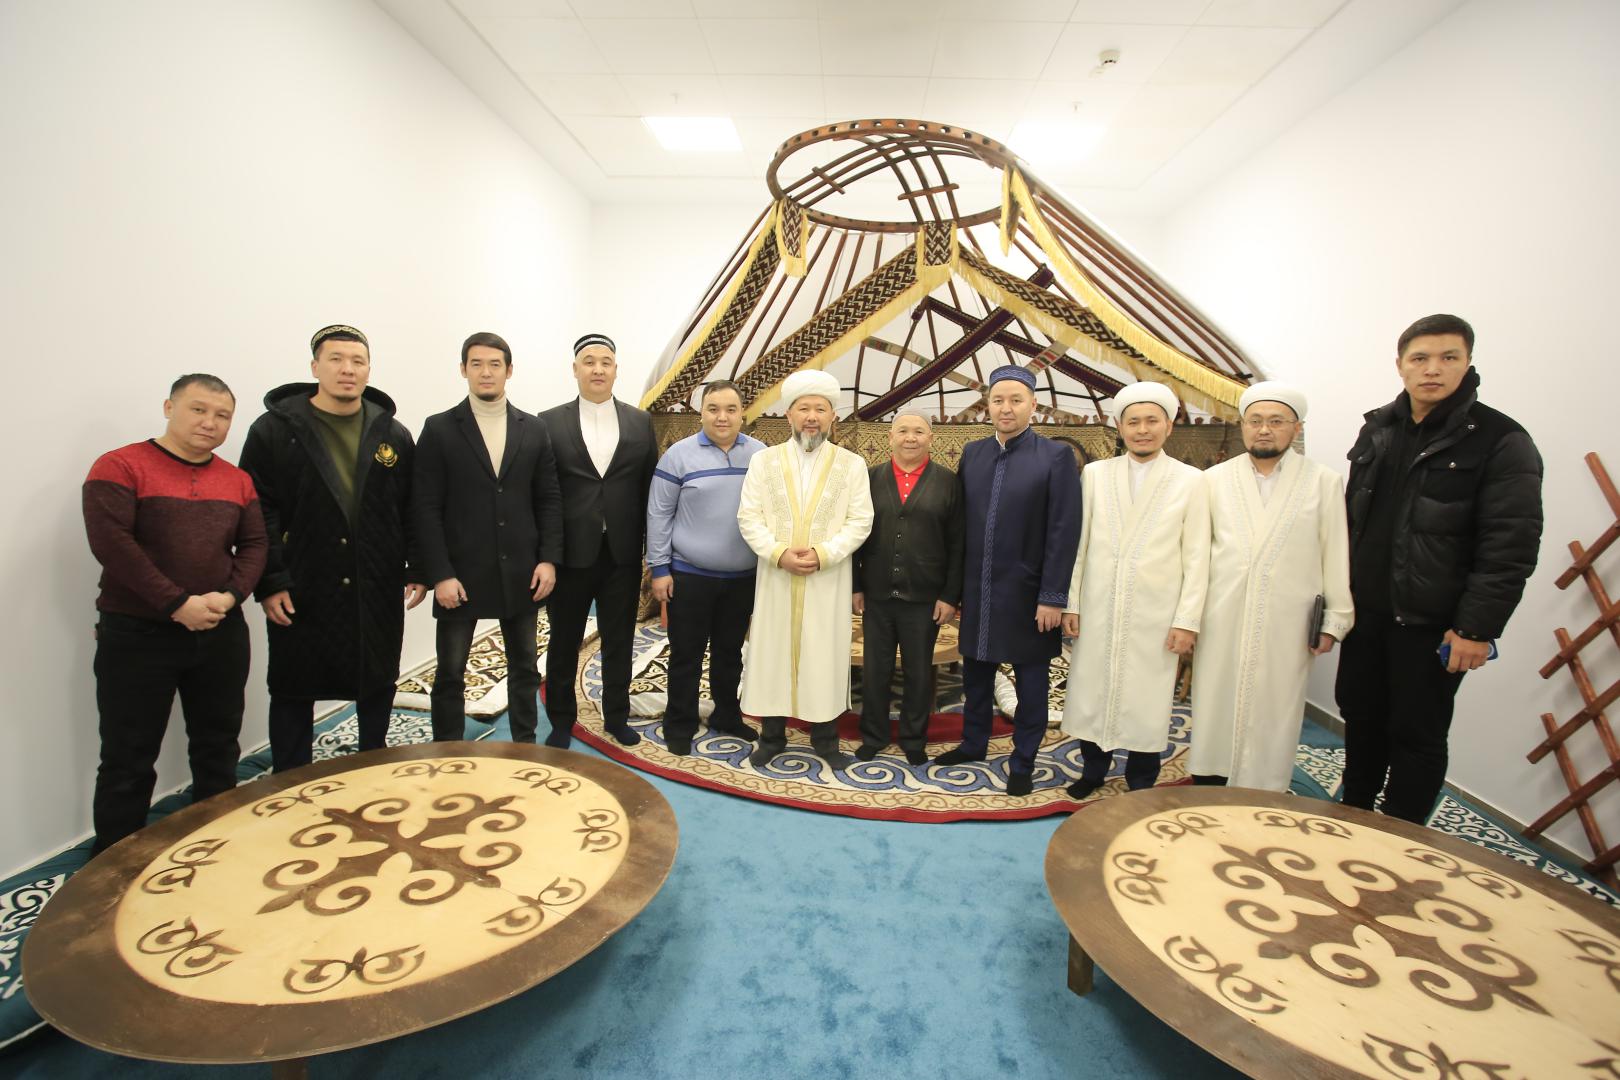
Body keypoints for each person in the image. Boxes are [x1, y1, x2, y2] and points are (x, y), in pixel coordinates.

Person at [1338, 314, 1543, 823]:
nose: (1433, 369)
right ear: (1400, 365)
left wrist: (1476, 628)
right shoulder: (1378, 429)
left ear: (1467, 362)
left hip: (1432, 623)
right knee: (1361, 717)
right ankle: (1352, 814)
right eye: (1420, 358)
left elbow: (1510, 545)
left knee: (1417, 732)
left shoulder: (1500, 439)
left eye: (1448, 357)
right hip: (1366, 613)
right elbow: (1353, 521)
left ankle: (1401, 837)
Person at [82, 374, 268, 852]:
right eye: (198, 409)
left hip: (220, 629)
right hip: (138, 634)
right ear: (169, 408)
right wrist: (176, 604)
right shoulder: (120, 466)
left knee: (218, 745)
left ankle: (214, 845)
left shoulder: (237, 480)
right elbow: (113, 545)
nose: (210, 423)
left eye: (222, 415)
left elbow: (254, 544)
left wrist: (230, 596)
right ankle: (115, 864)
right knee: (128, 755)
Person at [239, 325, 426, 772]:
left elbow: (411, 506)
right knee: (294, 684)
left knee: (378, 677)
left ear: (368, 370)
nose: (348, 369)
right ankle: (291, 779)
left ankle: (372, 766)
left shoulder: (393, 433)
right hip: (303, 580)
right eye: (336, 359)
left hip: (375, 580)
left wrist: (417, 567)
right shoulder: (273, 431)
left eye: (358, 361)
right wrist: (270, 580)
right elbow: (257, 511)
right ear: (315, 367)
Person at [1189, 382, 1352, 790]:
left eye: (1276, 422)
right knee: (1214, 700)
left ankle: (1265, 788)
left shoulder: (1323, 481)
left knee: (1276, 706)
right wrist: (1189, 617)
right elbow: (1197, 555)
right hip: (1221, 615)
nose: (1264, 430)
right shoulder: (1213, 480)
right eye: (1255, 421)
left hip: (1288, 620)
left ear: (1297, 428)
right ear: (1243, 426)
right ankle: (1209, 782)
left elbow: (1335, 552)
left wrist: (1334, 621)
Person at [935, 365, 1081, 797]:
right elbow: (959, 527)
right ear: (988, 406)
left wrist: (1052, 596)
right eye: (998, 400)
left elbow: (1064, 531)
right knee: (976, 675)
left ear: (1033, 406)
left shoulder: (1055, 457)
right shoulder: (974, 453)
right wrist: (954, 591)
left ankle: (1023, 762)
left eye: (1016, 400)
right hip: (979, 589)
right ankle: (973, 744)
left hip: (1029, 594)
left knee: (1030, 682)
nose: (1006, 408)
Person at [1060, 381, 1209, 797]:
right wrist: (1072, 603)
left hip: (1156, 613)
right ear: (1120, 427)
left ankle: (1142, 780)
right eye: (1134, 422)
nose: (1143, 430)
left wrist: (1187, 620)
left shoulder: (1191, 481)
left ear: (1169, 426)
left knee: (1148, 699)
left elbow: (1198, 558)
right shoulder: (1096, 474)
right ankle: (1092, 771)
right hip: (1099, 605)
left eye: (1152, 421)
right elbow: (1079, 545)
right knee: (1092, 691)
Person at [413, 332, 563, 744]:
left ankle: (524, 746)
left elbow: (549, 499)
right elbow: (425, 507)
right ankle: (448, 750)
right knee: (450, 672)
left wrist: (548, 559)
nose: (485, 372)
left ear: (509, 371)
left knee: (525, 667)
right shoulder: (440, 428)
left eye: (495, 364)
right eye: (476, 364)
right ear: (463, 369)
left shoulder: (534, 429)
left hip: (522, 570)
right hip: (460, 573)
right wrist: (439, 574)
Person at [736, 369, 874, 770]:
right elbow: (749, 517)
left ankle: (826, 741)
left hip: (826, 578)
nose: (811, 417)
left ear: (833, 417)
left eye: (820, 409)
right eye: (803, 409)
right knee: (772, 654)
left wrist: (824, 554)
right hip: (776, 575)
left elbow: (861, 520)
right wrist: (778, 553)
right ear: (788, 415)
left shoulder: (852, 465)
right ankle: (772, 736)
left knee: (824, 655)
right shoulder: (763, 461)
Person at [537, 333, 658, 748]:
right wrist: (546, 553)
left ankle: (617, 716)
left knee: (620, 639)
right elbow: (543, 491)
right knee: (564, 640)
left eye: (605, 362)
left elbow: (649, 488)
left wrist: (650, 549)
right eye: (589, 362)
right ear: (576, 369)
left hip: (621, 553)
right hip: (570, 553)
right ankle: (561, 721)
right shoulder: (548, 422)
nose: (598, 369)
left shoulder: (639, 421)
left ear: (616, 370)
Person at [646, 380, 765, 755]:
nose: (722, 417)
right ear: (701, 413)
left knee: (730, 653)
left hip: (743, 577)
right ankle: (679, 722)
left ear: (743, 413)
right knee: (687, 653)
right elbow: (659, 514)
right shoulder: (678, 456)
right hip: (690, 575)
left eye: (730, 409)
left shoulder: (761, 455)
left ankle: (726, 715)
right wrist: (659, 568)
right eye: (713, 409)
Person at [851, 407, 963, 765]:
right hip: (877, 594)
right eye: (902, 431)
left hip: (925, 597)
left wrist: (950, 595)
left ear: (931, 438)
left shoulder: (948, 482)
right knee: (876, 669)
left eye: (918, 431)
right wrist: (855, 585)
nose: (910, 438)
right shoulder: (869, 478)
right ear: (890, 438)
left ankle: (914, 739)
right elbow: (855, 535)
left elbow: (958, 543)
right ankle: (873, 735)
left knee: (918, 672)